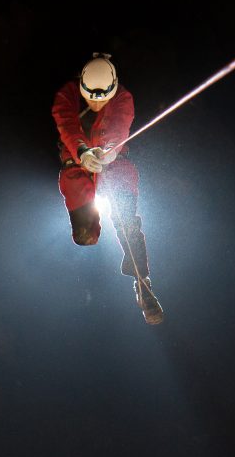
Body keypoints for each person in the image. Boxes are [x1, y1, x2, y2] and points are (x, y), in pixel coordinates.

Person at [52, 53, 164, 325]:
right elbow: (66, 123)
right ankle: (87, 230)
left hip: (114, 165)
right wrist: (82, 151)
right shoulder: (66, 96)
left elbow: (119, 126)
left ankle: (141, 278)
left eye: (102, 100)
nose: (95, 104)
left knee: (126, 218)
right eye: (91, 99)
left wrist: (109, 150)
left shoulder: (122, 98)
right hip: (78, 167)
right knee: (85, 236)